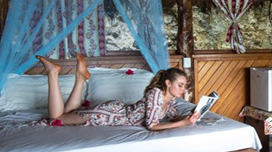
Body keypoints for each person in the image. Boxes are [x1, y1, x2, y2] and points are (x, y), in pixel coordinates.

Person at [36, 53, 200, 130]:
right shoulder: (156, 94)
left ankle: (80, 78)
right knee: (57, 118)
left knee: (70, 112)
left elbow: (170, 116)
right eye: (180, 85)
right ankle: (53, 73)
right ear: (167, 83)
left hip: (115, 110)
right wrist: (183, 123)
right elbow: (152, 125)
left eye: (184, 86)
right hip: (107, 114)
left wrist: (188, 116)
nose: (183, 89)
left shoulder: (169, 100)